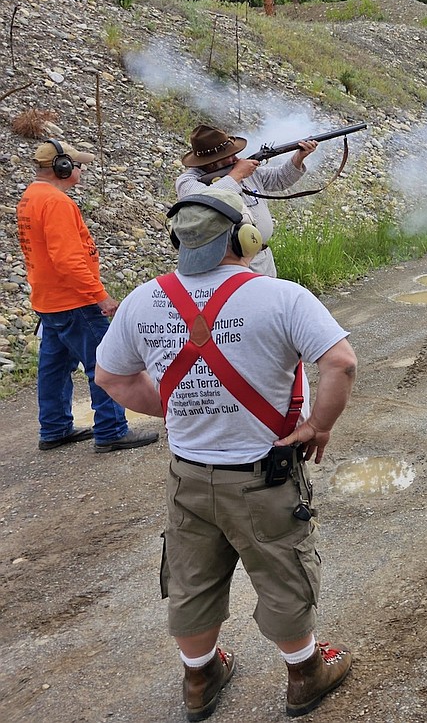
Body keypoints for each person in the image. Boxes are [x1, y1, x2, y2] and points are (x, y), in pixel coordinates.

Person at [94, 187, 358, 720]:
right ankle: (305, 673)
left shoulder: (144, 300)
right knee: (283, 569)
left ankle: (200, 679)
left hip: (189, 475)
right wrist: (317, 426)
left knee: (192, 579)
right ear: (247, 237)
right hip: (266, 474)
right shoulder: (282, 296)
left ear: (179, 243)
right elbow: (341, 363)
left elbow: (110, 378)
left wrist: (172, 410)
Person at [16, 139, 159, 453]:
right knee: (104, 363)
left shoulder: (31, 196)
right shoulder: (56, 202)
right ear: (62, 168)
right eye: (77, 165)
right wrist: (100, 297)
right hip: (74, 302)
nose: (81, 170)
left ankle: (54, 428)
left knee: (53, 367)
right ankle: (111, 430)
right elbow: (67, 260)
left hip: (49, 300)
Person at [175, 124, 318, 278]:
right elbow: (205, 199)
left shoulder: (242, 169)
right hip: (224, 266)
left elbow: (279, 179)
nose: (235, 158)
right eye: (228, 155)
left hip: (261, 259)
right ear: (211, 162)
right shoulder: (188, 181)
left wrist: (298, 157)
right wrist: (237, 174)